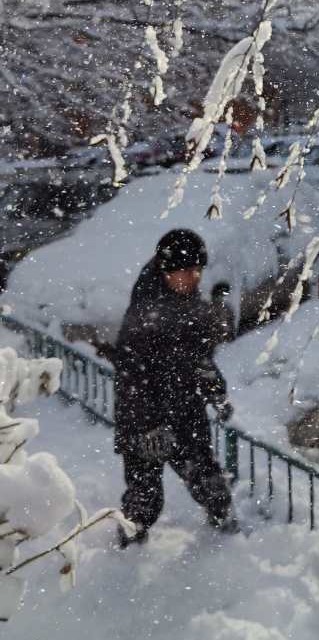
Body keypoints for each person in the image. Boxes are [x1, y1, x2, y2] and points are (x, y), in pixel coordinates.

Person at [101, 229, 238, 545]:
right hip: (144, 423)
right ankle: (127, 552)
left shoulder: (190, 304)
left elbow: (198, 359)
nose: (194, 277)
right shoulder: (144, 315)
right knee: (144, 498)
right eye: (186, 271)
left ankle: (227, 538)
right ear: (166, 272)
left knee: (208, 481)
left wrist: (214, 388)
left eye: (198, 271)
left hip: (186, 411)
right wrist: (147, 428)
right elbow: (130, 380)